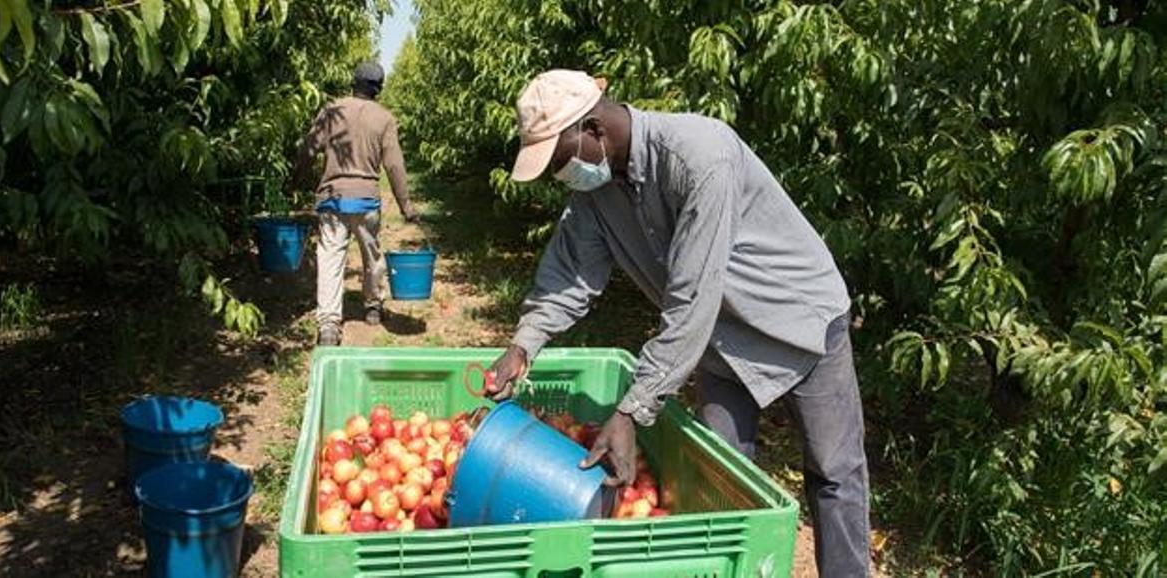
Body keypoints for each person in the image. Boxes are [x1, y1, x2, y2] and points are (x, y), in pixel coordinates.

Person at [484, 70, 870, 576]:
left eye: (561, 160)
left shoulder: (699, 156)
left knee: (834, 471)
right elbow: (571, 275)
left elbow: (691, 300)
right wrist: (523, 343)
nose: (562, 176)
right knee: (720, 477)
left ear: (594, 130)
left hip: (796, 321)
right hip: (716, 341)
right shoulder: (596, 194)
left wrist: (631, 411)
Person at [292, 61, 419, 346]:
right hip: (365, 201)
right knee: (372, 256)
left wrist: (296, 178)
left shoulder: (331, 110)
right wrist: (406, 205)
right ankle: (373, 307)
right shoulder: (384, 118)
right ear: (379, 89)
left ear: (353, 82)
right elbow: (394, 165)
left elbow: (308, 149)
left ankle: (328, 325)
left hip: (333, 199)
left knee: (330, 259)